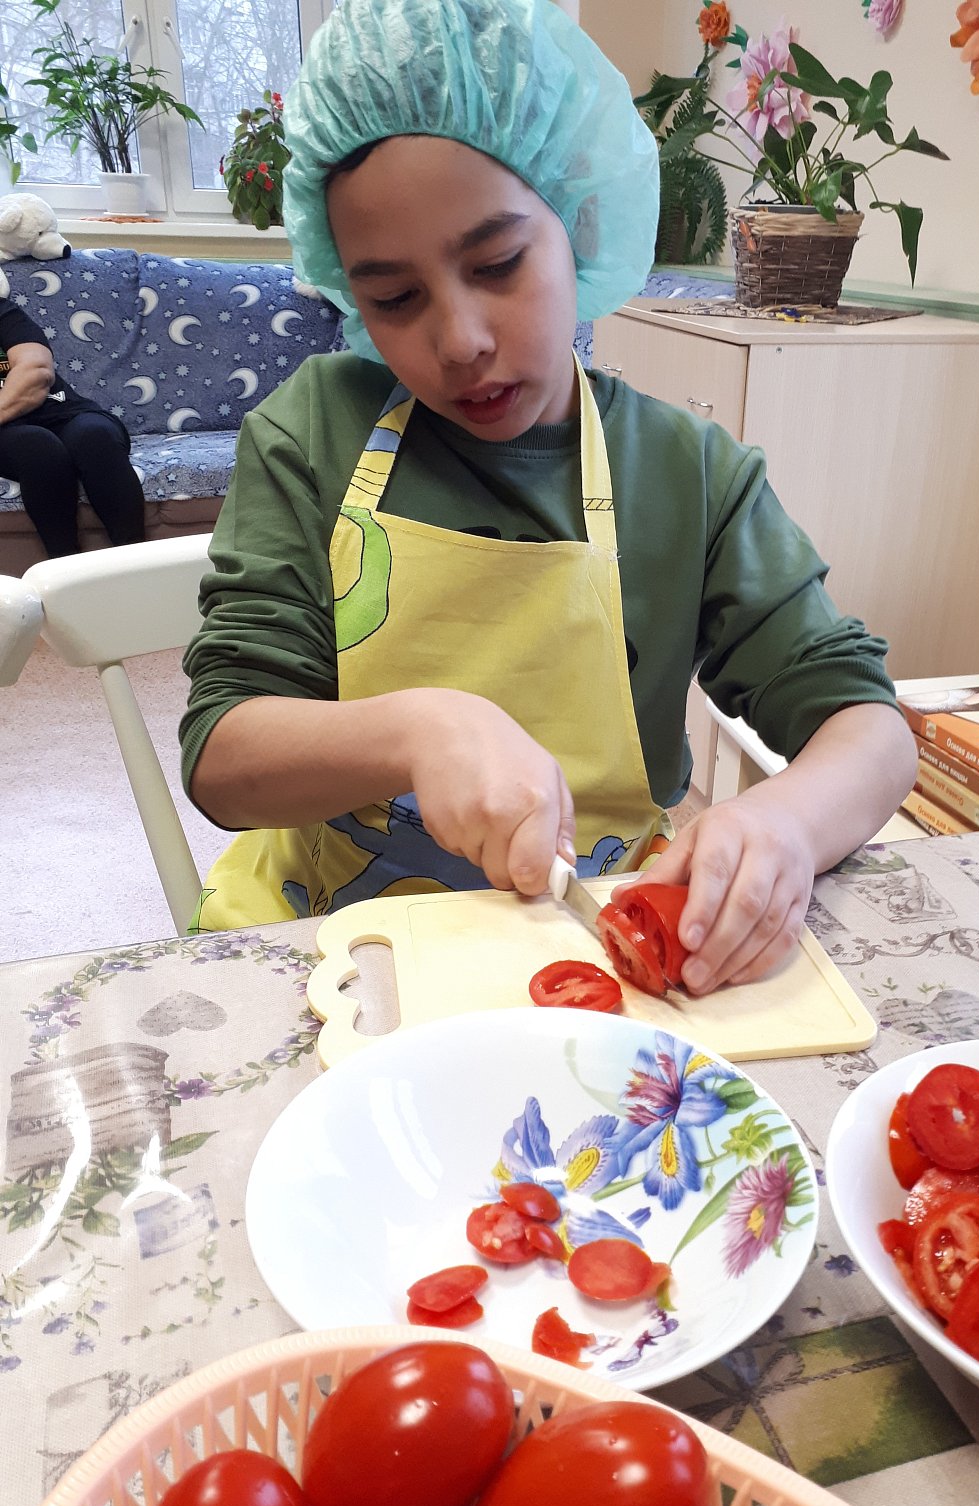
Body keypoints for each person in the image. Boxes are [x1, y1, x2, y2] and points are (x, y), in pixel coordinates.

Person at [180, 0, 917, 995]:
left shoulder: (688, 474)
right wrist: (420, 730)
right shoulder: (313, 430)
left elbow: (870, 729)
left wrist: (784, 822)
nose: (460, 341)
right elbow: (224, 754)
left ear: (580, 220)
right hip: (340, 952)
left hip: (589, 954)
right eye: (393, 298)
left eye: (497, 265)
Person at [0, 297, 146, 560]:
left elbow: (36, 373)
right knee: (38, 448)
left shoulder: (3, 311)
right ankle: (65, 568)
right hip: (9, 433)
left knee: (95, 437)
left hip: (64, 410)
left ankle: (137, 564)